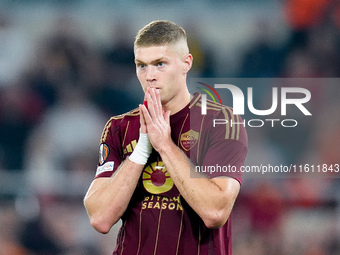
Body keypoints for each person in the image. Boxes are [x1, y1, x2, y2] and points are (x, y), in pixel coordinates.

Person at [84, 20, 248, 255]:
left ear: (186, 63)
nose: (150, 75)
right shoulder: (119, 128)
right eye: (142, 65)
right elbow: (100, 218)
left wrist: (164, 145)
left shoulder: (222, 122)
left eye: (160, 64)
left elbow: (215, 212)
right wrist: (141, 149)